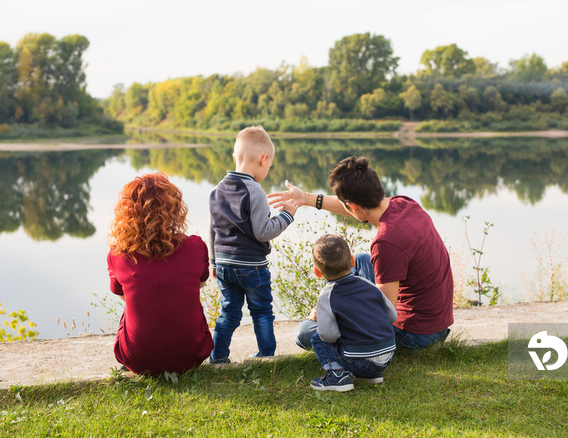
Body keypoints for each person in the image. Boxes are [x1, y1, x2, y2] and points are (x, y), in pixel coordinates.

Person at [269, 156, 453, 350]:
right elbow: (355, 206)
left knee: (305, 333)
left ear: (353, 206)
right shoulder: (405, 204)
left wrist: (331, 313)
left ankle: (333, 310)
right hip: (436, 321)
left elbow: (384, 315)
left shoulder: (386, 242)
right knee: (360, 261)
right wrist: (306, 198)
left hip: (417, 334)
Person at [107, 172, 213, 375]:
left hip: (137, 360)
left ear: (126, 214)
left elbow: (123, 295)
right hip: (191, 355)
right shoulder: (195, 246)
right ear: (174, 209)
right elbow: (199, 284)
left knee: (131, 305)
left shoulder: (118, 255)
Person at [209, 125, 299, 363]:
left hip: (224, 265)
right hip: (252, 266)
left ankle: (218, 358)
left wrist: (213, 262)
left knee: (228, 313)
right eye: (270, 165)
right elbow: (262, 233)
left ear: (234, 157)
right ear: (264, 159)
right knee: (261, 313)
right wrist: (287, 215)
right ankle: (266, 356)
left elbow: (213, 229)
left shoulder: (217, 189)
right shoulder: (254, 190)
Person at [307, 234, 397, 392]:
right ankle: (371, 375)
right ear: (353, 261)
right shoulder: (368, 284)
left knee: (317, 338)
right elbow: (392, 316)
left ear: (317, 272)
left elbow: (328, 336)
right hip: (387, 357)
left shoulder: (326, 296)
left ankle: (338, 376)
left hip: (358, 361)